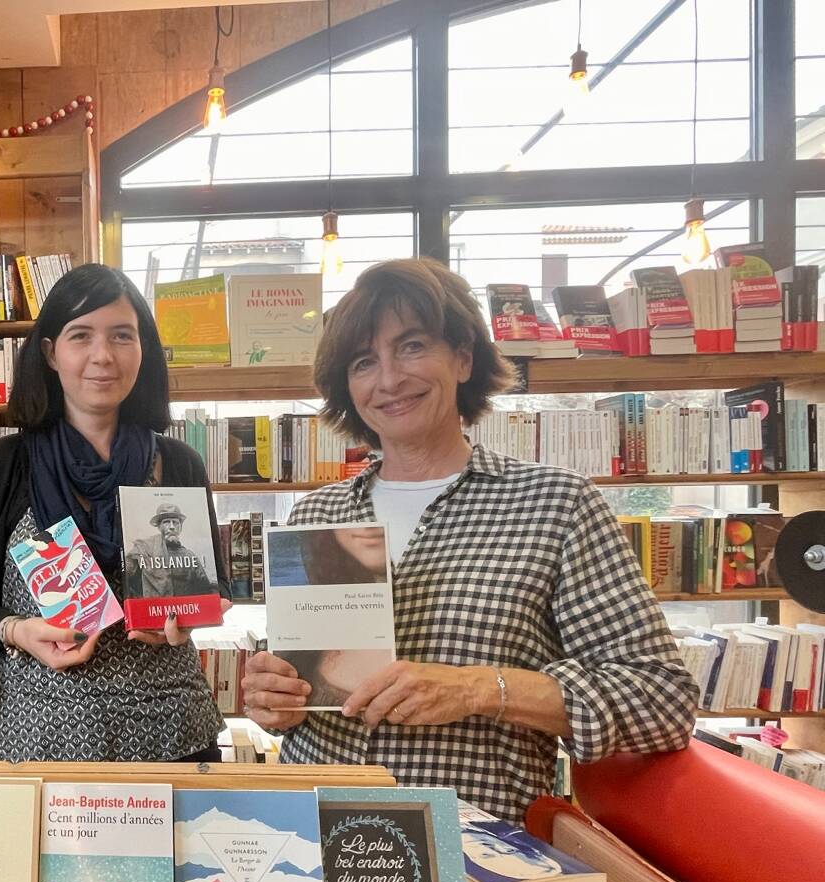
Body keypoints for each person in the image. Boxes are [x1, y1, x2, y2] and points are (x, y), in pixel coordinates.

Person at [241, 258, 697, 823]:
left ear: (462, 357)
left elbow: (662, 700)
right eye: (364, 362)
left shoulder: (555, 505)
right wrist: (273, 698)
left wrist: (482, 688)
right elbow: (296, 682)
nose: (388, 380)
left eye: (411, 347)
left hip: (475, 855)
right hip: (316, 837)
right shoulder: (317, 514)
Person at [0, 263, 229, 762]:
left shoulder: (179, 463)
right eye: (81, 336)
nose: (103, 356)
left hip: (172, 730)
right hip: (34, 733)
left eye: (123, 336)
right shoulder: (1, 466)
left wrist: (191, 615)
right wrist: (16, 630)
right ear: (50, 352)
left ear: (143, 350)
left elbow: (214, 586)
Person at [272, 525, 392, 710]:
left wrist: (455, 691)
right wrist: (271, 708)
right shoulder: (310, 513)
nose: (369, 526)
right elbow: (277, 717)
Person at [125, 502, 216, 598]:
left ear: (180, 527)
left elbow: (204, 588)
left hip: (184, 608)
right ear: (159, 527)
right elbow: (128, 575)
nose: (172, 526)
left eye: (175, 522)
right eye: (167, 522)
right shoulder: (144, 548)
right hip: (154, 608)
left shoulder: (189, 556)